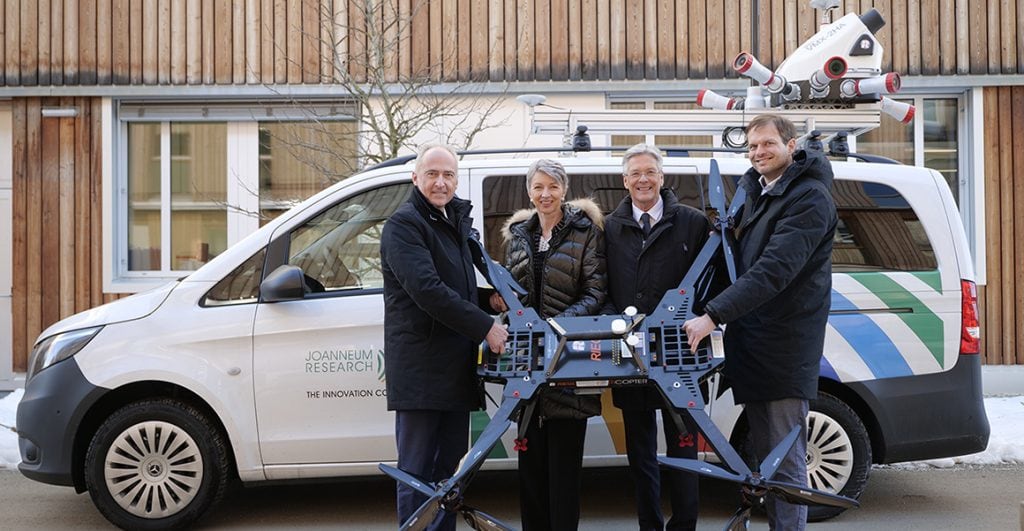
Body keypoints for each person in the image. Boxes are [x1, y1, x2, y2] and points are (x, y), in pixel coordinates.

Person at [683, 114, 838, 530]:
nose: (758, 153)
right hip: (755, 343)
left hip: (784, 348)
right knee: (766, 460)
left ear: (791, 145)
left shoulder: (808, 198)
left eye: (768, 144)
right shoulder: (760, 193)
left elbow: (773, 270)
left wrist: (712, 315)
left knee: (785, 464)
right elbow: (740, 263)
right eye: (752, 147)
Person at [380, 144, 508, 531]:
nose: (440, 182)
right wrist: (486, 326)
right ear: (415, 177)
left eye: (448, 175)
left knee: (449, 474)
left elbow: (456, 287)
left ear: (456, 179)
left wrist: (490, 300)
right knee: (417, 473)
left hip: (453, 366)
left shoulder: (449, 222)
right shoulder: (404, 225)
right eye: (432, 174)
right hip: (422, 370)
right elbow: (428, 290)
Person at [490, 159, 606, 531]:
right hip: (526, 359)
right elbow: (513, 290)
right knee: (531, 468)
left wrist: (555, 328)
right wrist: (505, 306)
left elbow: (596, 292)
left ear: (564, 190)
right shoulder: (518, 235)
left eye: (552, 187)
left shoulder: (585, 230)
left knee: (564, 471)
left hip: (567, 359)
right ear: (529, 191)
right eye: (538, 187)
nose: (545, 194)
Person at [604, 144, 712, 531]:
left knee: (684, 444)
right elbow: (601, 288)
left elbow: (712, 282)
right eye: (636, 173)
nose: (643, 179)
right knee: (640, 450)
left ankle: (685, 524)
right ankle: (648, 525)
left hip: (682, 350)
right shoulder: (610, 227)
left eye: (650, 172)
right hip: (626, 350)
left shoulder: (693, 222)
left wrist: (704, 318)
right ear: (625, 181)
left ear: (662, 177)